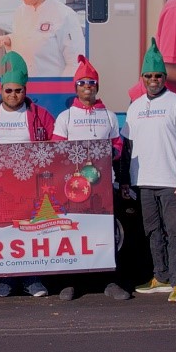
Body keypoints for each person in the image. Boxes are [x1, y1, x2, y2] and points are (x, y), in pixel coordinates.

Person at [120, 38, 176, 303]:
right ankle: (161, 276)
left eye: (158, 75)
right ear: (142, 77)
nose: (153, 80)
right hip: (143, 182)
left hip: (172, 182)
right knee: (153, 231)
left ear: (165, 77)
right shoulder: (136, 107)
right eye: (148, 76)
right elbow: (128, 146)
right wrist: (124, 179)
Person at [0, 52, 54, 297]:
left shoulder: (39, 114)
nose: (13, 95)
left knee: (31, 231)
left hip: (30, 183)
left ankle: (32, 279)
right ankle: (4, 279)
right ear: (1, 90)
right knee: (2, 231)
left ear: (25, 90)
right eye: (8, 91)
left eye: (18, 90)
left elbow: (56, 144)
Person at [51, 55, 128, 302]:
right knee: (72, 233)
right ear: (76, 87)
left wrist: (109, 154)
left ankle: (110, 281)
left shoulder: (109, 116)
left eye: (91, 83)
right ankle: (70, 282)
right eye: (82, 83)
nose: (87, 87)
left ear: (97, 86)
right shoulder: (66, 117)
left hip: (105, 186)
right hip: (73, 187)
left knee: (106, 235)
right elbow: (57, 151)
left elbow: (118, 146)